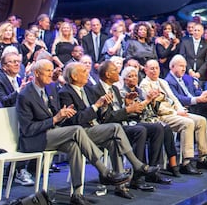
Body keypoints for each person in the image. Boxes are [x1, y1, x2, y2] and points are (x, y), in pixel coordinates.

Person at [15, 59, 130, 205]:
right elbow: (28, 129)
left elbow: (57, 116)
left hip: (54, 133)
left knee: (74, 146)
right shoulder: (25, 95)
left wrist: (63, 115)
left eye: (52, 70)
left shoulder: (50, 89)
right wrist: (55, 119)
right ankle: (105, 171)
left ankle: (76, 194)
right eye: (48, 71)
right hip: (35, 139)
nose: (52, 74)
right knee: (77, 130)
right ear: (36, 73)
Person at [58, 62, 158, 198]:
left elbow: (101, 115)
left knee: (114, 142)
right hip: (80, 131)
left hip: (96, 128)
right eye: (83, 71)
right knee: (116, 128)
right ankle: (137, 164)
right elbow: (76, 120)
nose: (88, 73)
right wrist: (96, 105)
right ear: (74, 76)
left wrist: (103, 107)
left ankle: (120, 186)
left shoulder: (87, 90)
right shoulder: (65, 93)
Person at [138, 59, 207, 175]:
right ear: (145, 70)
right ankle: (187, 161)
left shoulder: (162, 82)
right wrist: (175, 113)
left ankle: (203, 157)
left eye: (157, 68)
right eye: (151, 68)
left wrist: (180, 109)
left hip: (175, 112)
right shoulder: (144, 85)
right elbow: (156, 107)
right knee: (188, 123)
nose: (155, 71)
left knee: (201, 120)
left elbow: (174, 98)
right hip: (162, 116)